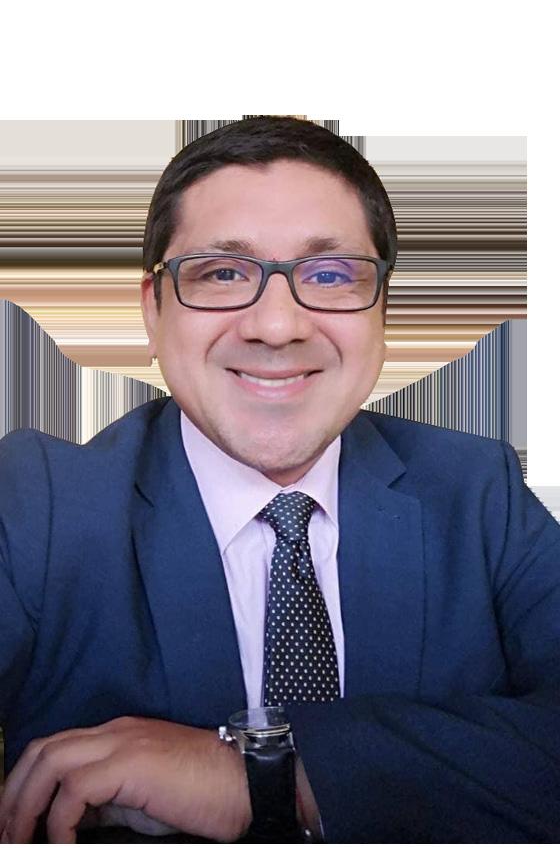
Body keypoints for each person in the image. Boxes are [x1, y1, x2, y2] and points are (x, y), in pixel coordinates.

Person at [0, 115, 559, 844]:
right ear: (152, 311)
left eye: (329, 276)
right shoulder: (36, 503)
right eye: (222, 273)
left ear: (383, 311)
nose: (276, 325)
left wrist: (273, 778)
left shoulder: (479, 492)